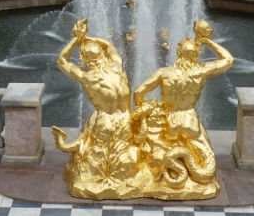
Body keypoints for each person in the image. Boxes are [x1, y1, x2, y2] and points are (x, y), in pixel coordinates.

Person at [132, 20, 233, 196]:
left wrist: (150, 108)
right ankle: (185, 177)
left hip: (169, 121)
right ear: (196, 54)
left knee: (162, 148)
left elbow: (139, 92)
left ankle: (164, 177)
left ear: (178, 53)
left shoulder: (164, 73)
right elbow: (229, 59)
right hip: (189, 119)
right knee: (204, 156)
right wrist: (207, 41)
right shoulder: (200, 71)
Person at [52, 19, 142, 197]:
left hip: (105, 121)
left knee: (98, 158)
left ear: (84, 59)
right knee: (120, 153)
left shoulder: (87, 76)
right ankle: (122, 180)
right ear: (102, 54)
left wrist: (77, 39)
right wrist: (88, 37)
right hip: (126, 119)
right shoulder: (117, 67)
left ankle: (97, 181)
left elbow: (61, 60)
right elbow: (109, 45)